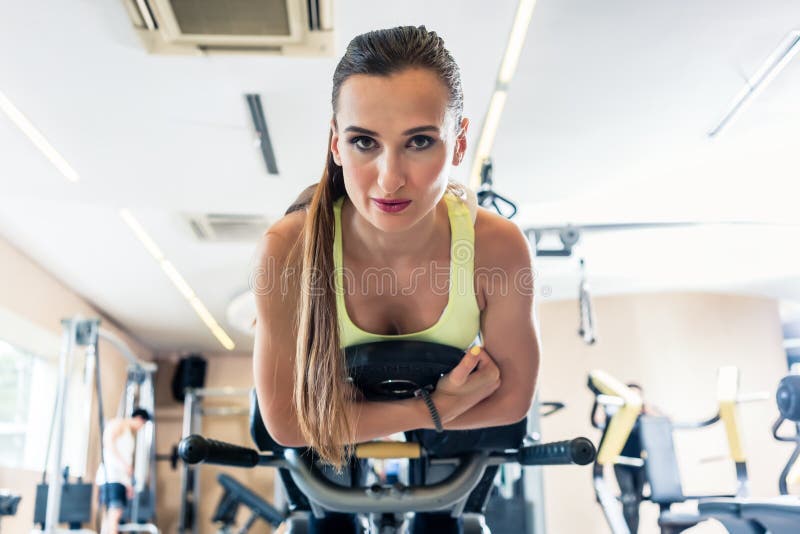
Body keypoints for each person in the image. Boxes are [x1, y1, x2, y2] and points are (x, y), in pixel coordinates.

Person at [253, 26, 539, 533]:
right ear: (336, 145)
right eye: (364, 141)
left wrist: (428, 413)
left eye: (420, 141)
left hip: (447, 449)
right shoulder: (288, 249)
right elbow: (286, 422)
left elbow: (513, 400)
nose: (389, 178)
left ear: (459, 143)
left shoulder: (498, 248)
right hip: (330, 458)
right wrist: (435, 407)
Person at [95, 408, 150, 534]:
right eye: (142, 424)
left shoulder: (129, 433)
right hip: (112, 476)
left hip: (119, 478)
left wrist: (128, 483)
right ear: (139, 419)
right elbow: (108, 443)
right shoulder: (118, 424)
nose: (140, 428)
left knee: (112, 516)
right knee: (114, 514)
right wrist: (124, 465)